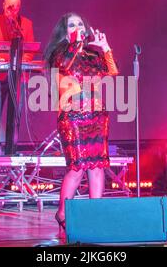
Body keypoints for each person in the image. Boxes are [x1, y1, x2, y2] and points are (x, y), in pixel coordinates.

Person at [44, 13, 119, 230]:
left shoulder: (91, 54)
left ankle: (96, 215)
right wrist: (76, 43)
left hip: (97, 116)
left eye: (80, 24)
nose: (77, 27)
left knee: (97, 167)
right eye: (71, 25)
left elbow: (111, 71)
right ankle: (62, 213)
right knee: (77, 167)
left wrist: (105, 48)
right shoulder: (59, 54)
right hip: (73, 117)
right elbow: (66, 66)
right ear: (64, 31)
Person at [0, 0, 35, 156]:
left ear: (19, 8)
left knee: (16, 115)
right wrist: (0, 60)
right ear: (3, 5)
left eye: (15, 7)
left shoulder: (26, 24)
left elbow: (31, 50)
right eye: (9, 6)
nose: (12, 10)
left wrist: (21, 62)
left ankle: (12, 148)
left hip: (18, 77)